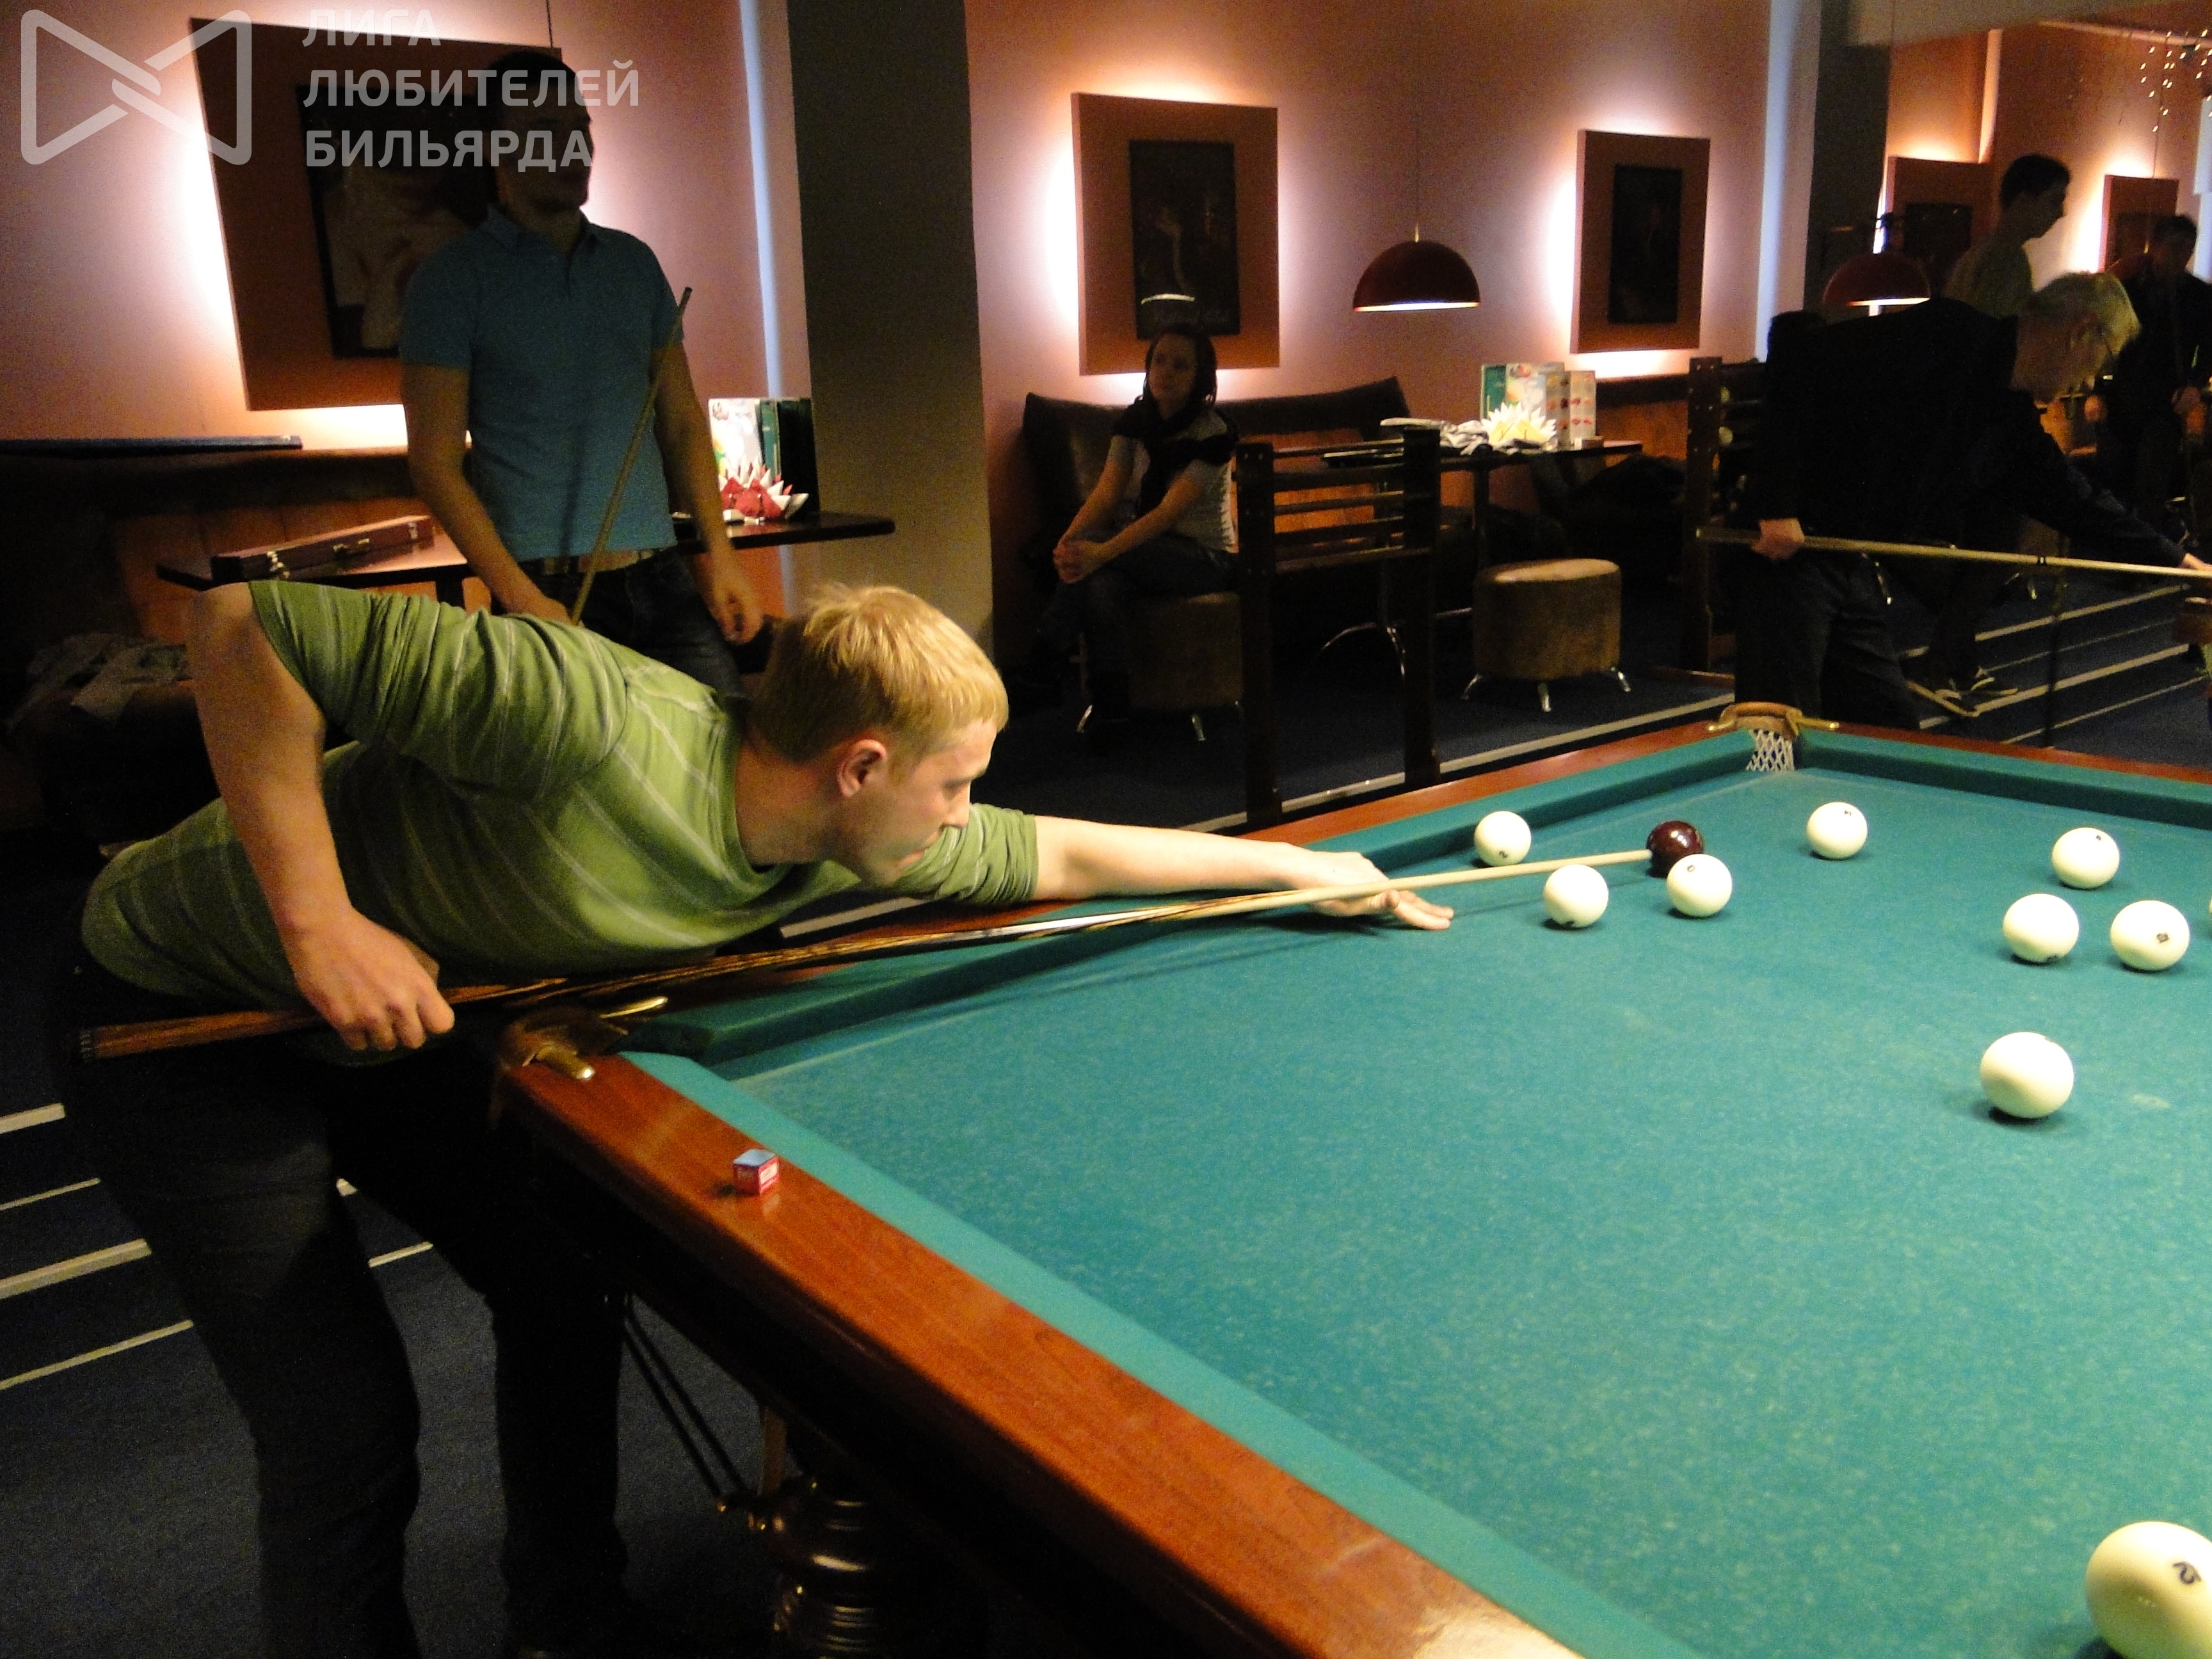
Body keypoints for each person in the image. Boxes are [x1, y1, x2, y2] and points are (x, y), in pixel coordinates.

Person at [51, 579, 1447, 1659]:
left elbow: (1068, 851)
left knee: (558, 1281)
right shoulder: (585, 718)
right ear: (859, 763)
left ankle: (566, 1622)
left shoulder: (844, 840)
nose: (964, 814)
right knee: (346, 1429)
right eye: (952, 782)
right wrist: (320, 928)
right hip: (177, 1007)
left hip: (395, 1015)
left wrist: (1304, 872)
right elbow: (243, 628)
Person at [400, 50, 762, 696]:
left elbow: (681, 424)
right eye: (546, 131)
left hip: (662, 574)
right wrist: (522, 598)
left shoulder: (633, 264)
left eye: (580, 127)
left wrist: (721, 556)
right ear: (497, 147)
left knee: (724, 742)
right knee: (580, 763)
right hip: (548, 586)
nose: (573, 149)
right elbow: (435, 463)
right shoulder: (449, 282)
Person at [1742, 274, 2202, 725]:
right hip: (1790, 552)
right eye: (2102, 357)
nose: (2088, 381)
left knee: (1890, 733)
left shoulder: (2010, 419)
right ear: (2080, 333)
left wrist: (2180, 562)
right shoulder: (1949, 334)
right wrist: (1776, 504)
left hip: (1846, 557)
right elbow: (1799, 352)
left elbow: (2079, 502)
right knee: (1776, 731)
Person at [1016, 326, 1238, 747]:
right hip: (1143, 552)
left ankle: (1040, 669)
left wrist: (1101, 551)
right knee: (1101, 584)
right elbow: (1106, 493)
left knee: (1100, 563)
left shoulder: (1213, 434)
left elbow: (1167, 514)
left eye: (1181, 365)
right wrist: (1069, 542)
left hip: (1205, 559)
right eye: (1159, 361)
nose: (1165, 372)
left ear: (1201, 378)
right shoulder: (1133, 423)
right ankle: (1113, 709)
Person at [2097, 214, 2212, 536]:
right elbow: (2106, 345)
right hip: (2122, 397)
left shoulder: (2199, 295)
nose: (2182, 257)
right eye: (2175, 248)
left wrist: (2194, 385)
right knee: (2114, 481)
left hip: (2166, 402)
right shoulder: (2127, 288)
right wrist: (2098, 392)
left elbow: (2208, 348)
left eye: (2188, 249)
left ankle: (2141, 553)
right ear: (2155, 246)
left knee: (2151, 486)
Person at [1945, 154, 2071, 320]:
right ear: (2023, 202)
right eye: (2054, 201)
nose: (2061, 213)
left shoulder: (1978, 251)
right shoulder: (2008, 258)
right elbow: (1992, 328)